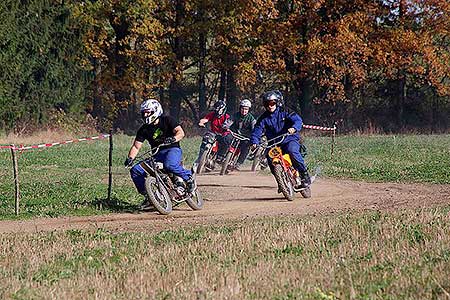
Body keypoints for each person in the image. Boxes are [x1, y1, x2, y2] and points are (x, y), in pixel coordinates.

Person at [125, 98, 196, 210]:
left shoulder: (167, 120)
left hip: (172, 149)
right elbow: (136, 146)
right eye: (144, 113)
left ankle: (188, 178)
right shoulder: (144, 129)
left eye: (148, 112)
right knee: (136, 169)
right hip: (157, 154)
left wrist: (173, 139)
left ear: (156, 110)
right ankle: (148, 196)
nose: (146, 115)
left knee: (170, 165)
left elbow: (180, 132)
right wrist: (130, 158)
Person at [250, 90, 311, 189]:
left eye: (272, 103)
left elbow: (298, 120)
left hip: (289, 139)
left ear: (276, 102)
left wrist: (294, 128)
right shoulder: (263, 118)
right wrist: (254, 142)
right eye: (267, 103)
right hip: (274, 143)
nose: (270, 106)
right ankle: (281, 181)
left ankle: (304, 174)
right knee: (270, 158)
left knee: (292, 151)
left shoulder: (285, 111)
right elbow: (256, 131)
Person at [194, 100, 233, 165]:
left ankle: (220, 157)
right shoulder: (212, 115)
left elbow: (230, 124)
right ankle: (200, 159)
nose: (216, 111)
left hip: (223, 135)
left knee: (226, 142)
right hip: (213, 133)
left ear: (222, 110)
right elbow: (205, 119)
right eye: (215, 109)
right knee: (205, 139)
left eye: (218, 109)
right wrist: (201, 123)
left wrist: (228, 128)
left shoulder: (227, 117)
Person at [229, 99, 256, 170]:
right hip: (235, 134)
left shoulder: (251, 119)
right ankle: (223, 158)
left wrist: (253, 138)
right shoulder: (235, 115)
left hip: (245, 137)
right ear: (240, 108)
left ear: (248, 110)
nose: (244, 111)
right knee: (226, 140)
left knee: (246, 147)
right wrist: (225, 126)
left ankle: (239, 163)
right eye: (242, 108)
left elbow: (254, 129)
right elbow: (229, 121)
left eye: (246, 109)